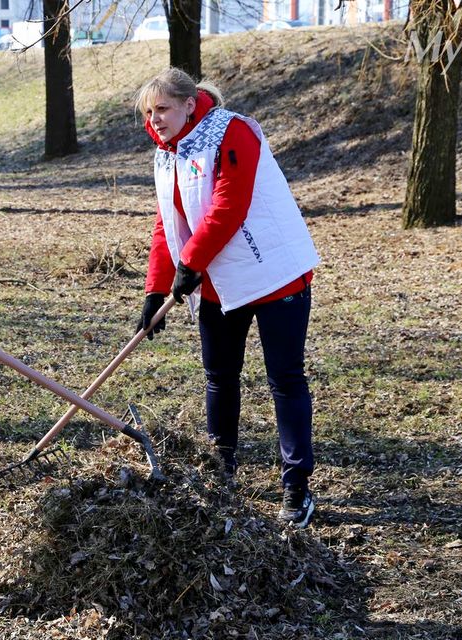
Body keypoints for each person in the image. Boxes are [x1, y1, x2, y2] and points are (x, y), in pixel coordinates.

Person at [134, 68, 320, 528]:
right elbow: (168, 224)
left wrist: (190, 264)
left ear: (190, 104)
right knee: (219, 376)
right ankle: (222, 475)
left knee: (285, 379)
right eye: (148, 112)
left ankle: (296, 488)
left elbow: (229, 203)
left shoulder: (233, 131)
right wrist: (155, 289)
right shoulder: (167, 154)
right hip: (218, 282)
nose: (155, 120)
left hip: (274, 275)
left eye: (163, 109)